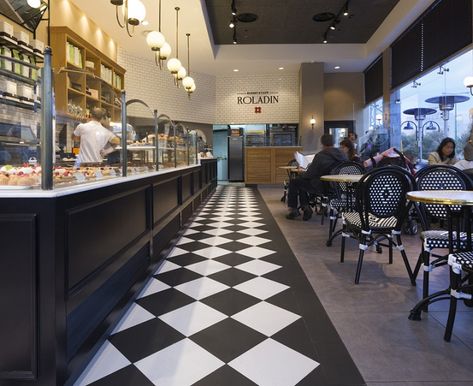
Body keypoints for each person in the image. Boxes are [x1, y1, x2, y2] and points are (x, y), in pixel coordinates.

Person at [286, 134, 347, 221]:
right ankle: (306, 207)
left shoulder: (321, 156)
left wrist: (301, 173)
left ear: (322, 143)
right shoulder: (342, 155)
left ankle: (296, 209)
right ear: (333, 142)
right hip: (338, 187)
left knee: (295, 181)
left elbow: (310, 174)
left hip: (321, 186)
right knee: (301, 182)